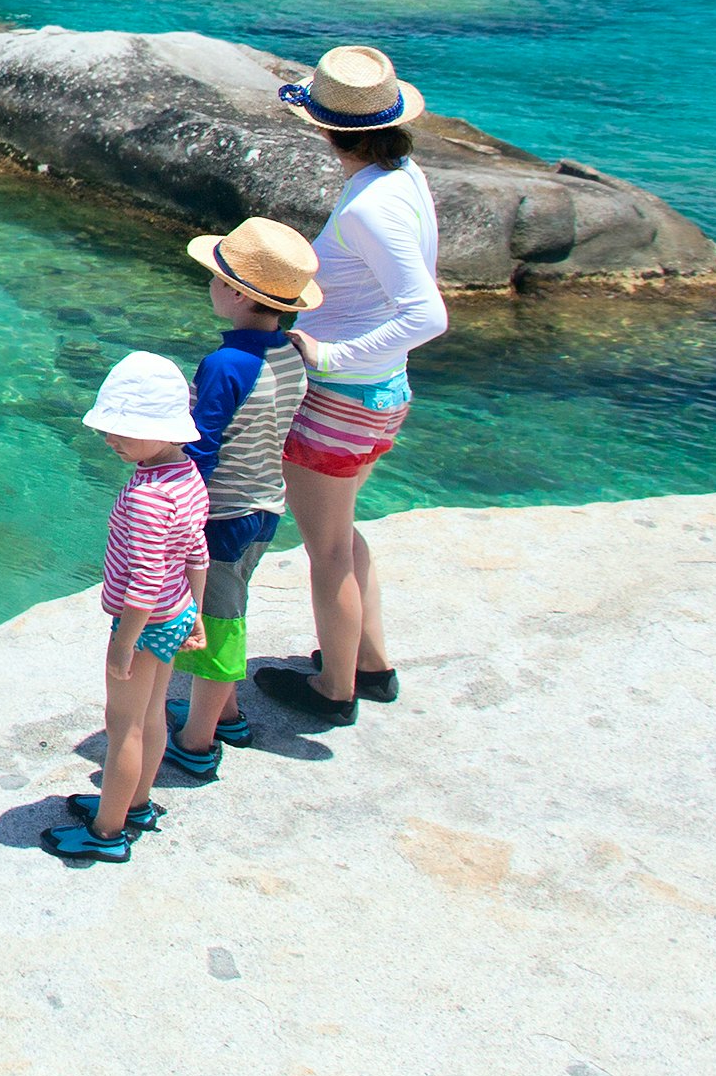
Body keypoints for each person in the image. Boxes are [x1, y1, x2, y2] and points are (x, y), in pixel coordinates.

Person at [257, 45, 446, 727]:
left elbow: (427, 313)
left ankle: (334, 690)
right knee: (342, 533)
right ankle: (371, 662)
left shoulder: (369, 205)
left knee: (326, 548)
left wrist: (331, 356)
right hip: (380, 393)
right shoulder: (404, 174)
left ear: (327, 127)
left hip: (343, 398)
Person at [164, 216, 317, 779]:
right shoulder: (290, 352)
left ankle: (198, 741)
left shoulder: (226, 363)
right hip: (264, 508)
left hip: (221, 513)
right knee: (231, 606)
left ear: (234, 292)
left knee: (217, 624)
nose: (209, 285)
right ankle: (223, 713)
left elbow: (201, 448)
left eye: (213, 277)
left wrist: (177, 511)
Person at [47, 352, 209, 865]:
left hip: (144, 624)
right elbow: (196, 554)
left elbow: (145, 580)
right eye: (109, 431)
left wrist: (122, 643)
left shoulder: (146, 496)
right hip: (176, 612)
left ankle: (107, 830)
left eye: (126, 431)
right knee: (152, 713)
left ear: (164, 429)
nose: (112, 440)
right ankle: (135, 803)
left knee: (124, 728)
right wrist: (197, 613)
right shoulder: (187, 475)